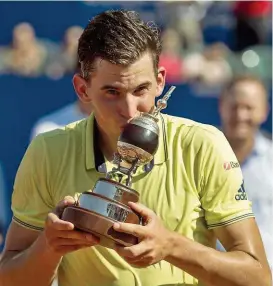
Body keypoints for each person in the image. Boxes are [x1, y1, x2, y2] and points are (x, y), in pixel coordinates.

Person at [0, 10, 271, 286]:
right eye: (112, 92)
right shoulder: (47, 151)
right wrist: (48, 247)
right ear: (83, 90)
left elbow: (259, 278)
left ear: (160, 81)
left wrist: (171, 246)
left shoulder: (203, 145)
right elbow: (10, 279)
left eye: (141, 90)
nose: (129, 111)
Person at [218, 75, 273, 267]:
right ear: (221, 106)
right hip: (211, 275)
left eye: (249, 107)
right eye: (234, 107)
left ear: (264, 111)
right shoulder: (196, 156)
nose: (241, 115)